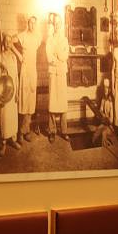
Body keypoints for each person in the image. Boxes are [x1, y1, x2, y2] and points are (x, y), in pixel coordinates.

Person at [15, 16, 40, 142]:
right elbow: (8, 40)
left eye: (34, 23)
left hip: (33, 72)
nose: (32, 25)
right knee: (23, 102)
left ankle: (27, 130)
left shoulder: (37, 38)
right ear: (27, 23)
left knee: (31, 103)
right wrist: (18, 54)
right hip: (25, 71)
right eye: (30, 23)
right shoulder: (22, 36)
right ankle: (20, 132)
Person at [46, 13, 70, 142]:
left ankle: (64, 130)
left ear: (61, 25)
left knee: (62, 101)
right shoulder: (49, 39)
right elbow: (49, 56)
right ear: (53, 25)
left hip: (61, 73)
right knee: (52, 101)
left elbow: (65, 56)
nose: (57, 25)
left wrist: (57, 53)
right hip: (53, 72)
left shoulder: (64, 40)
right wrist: (56, 57)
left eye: (59, 23)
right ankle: (52, 130)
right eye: (55, 23)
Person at [0, 33, 22, 155]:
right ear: (3, 43)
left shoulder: (13, 57)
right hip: (4, 92)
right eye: (6, 41)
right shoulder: (0, 57)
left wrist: (17, 92)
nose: (8, 44)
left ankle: (13, 139)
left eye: (10, 41)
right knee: (5, 117)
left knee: (13, 116)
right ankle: (3, 143)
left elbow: (16, 77)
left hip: (13, 91)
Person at [92, 78, 114, 145]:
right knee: (96, 134)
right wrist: (102, 114)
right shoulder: (103, 99)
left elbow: (111, 120)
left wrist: (107, 119)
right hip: (103, 123)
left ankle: (104, 148)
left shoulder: (111, 102)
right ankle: (94, 145)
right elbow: (101, 110)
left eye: (107, 88)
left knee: (103, 133)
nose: (105, 89)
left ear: (109, 89)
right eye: (104, 88)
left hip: (110, 126)